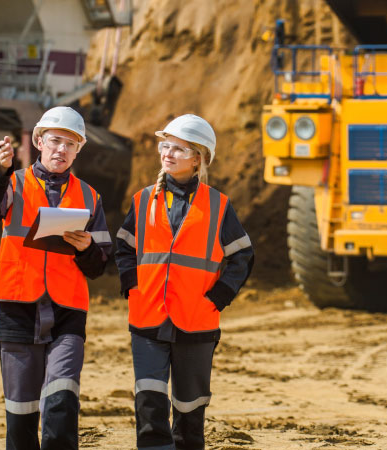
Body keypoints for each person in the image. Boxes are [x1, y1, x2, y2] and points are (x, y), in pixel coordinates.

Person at [0, 106, 112, 450]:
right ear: (39, 141)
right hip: (17, 306)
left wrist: (85, 249)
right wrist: (0, 170)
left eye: (70, 144)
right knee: (21, 413)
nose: (61, 150)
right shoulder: (13, 183)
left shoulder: (90, 197)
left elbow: (99, 266)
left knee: (62, 400)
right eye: (54, 141)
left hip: (67, 312)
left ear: (79, 150)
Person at [114, 114, 254, 450]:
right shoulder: (143, 200)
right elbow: (124, 246)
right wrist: (133, 286)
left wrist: (218, 297)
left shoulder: (218, 206)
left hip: (197, 320)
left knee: (190, 410)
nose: (168, 153)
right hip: (147, 317)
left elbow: (242, 256)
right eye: (165, 146)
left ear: (198, 159)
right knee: (149, 404)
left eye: (178, 148)